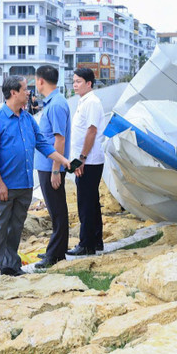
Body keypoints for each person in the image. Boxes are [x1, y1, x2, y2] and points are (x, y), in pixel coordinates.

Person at [0, 76, 70, 279]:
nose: (28, 93)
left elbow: (43, 144)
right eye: (25, 89)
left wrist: (63, 160)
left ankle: (11, 266)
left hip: (24, 185)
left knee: (16, 227)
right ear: (13, 92)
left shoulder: (28, 119)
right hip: (3, 186)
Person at [33, 66, 72, 269]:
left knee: (57, 210)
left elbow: (60, 139)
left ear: (41, 81)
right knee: (55, 209)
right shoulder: (53, 103)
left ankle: (56, 254)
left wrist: (56, 169)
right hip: (47, 165)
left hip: (51, 166)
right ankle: (56, 250)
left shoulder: (56, 105)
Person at [67, 68, 105, 256]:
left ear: (89, 83)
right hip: (83, 159)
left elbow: (91, 131)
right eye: (74, 81)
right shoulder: (84, 101)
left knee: (86, 203)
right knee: (91, 201)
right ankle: (96, 240)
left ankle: (86, 244)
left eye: (79, 81)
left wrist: (81, 158)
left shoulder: (92, 102)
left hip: (87, 160)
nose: (75, 85)